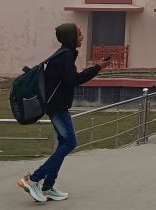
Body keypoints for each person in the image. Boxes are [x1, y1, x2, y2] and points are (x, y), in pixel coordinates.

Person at [17, 23, 111, 202]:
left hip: (56, 106)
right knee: (70, 142)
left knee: (63, 143)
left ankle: (48, 186)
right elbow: (73, 80)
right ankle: (34, 179)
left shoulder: (64, 54)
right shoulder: (65, 56)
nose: (82, 37)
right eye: (80, 34)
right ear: (71, 37)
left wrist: (97, 67)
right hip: (57, 108)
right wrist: (98, 68)